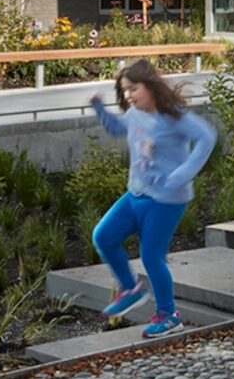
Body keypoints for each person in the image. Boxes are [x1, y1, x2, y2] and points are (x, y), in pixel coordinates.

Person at [87, 59, 217, 338]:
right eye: (125, 91)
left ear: (150, 86)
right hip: (136, 193)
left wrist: (183, 175)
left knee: (151, 256)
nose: (129, 96)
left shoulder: (175, 117)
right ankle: (130, 288)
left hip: (167, 199)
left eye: (133, 89)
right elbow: (116, 129)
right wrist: (99, 109)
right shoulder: (134, 115)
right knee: (103, 236)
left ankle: (169, 315)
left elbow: (207, 137)